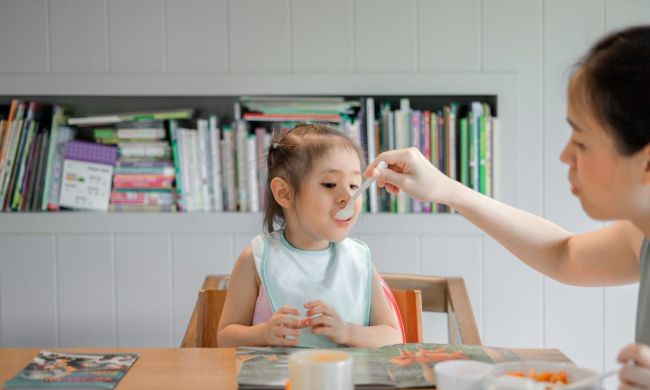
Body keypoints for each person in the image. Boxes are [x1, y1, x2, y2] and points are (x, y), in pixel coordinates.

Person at [365, 25, 650, 388]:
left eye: (580, 142)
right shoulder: (641, 236)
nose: (565, 156)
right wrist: (446, 190)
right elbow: (564, 254)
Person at [217, 124, 402, 348]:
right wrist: (263, 334)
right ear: (284, 193)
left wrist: (346, 332)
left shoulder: (359, 259)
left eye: (354, 185)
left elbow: (393, 337)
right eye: (330, 184)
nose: (348, 196)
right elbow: (225, 338)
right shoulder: (255, 259)